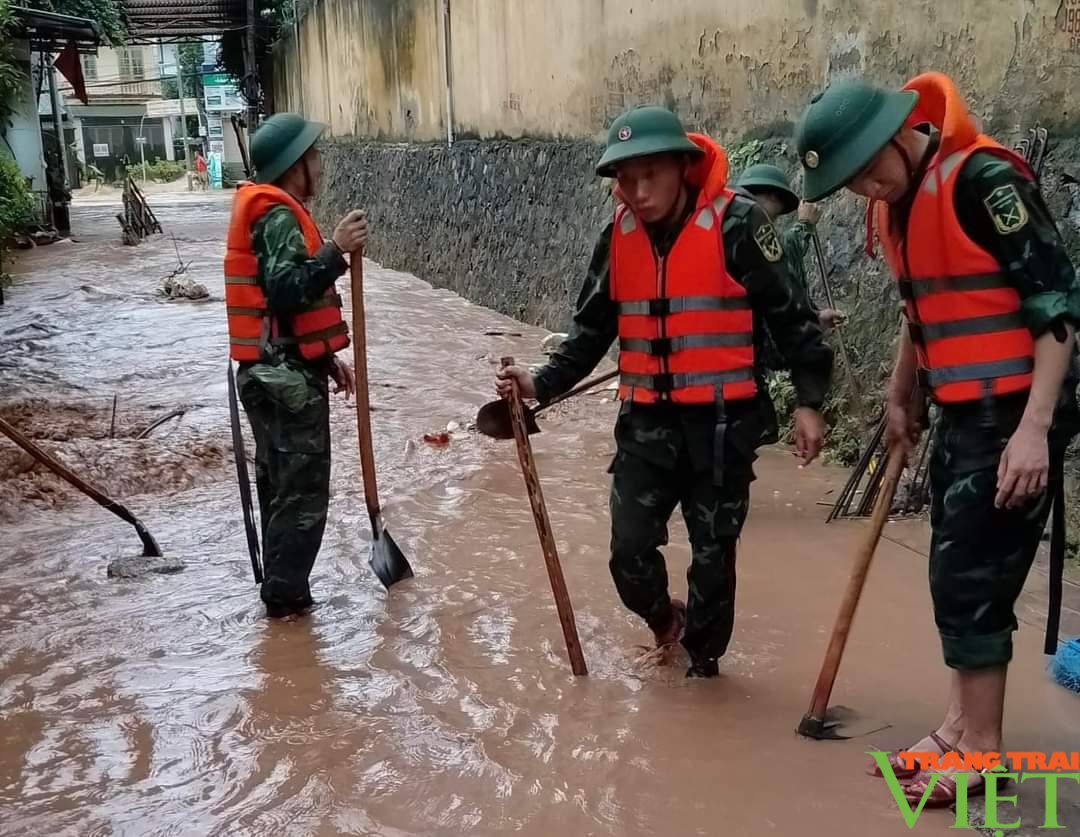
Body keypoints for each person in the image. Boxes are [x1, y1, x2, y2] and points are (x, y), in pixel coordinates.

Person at [795, 73, 1080, 805]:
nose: (865, 188)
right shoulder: (902, 204)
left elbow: (1058, 309)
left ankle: (983, 749)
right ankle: (960, 725)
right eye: (851, 181)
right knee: (953, 568)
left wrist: (1035, 431)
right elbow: (919, 305)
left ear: (899, 133)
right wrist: (901, 393)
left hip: (1018, 407)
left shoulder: (984, 181)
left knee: (972, 574)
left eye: (866, 168)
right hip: (961, 408)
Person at [496, 106, 833, 678]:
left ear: (683, 166)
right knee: (627, 553)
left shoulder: (739, 226)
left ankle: (705, 669)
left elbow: (793, 318)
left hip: (722, 428)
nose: (637, 190)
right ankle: (663, 623)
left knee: (712, 558)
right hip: (646, 427)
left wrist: (808, 401)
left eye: (650, 174)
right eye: (625, 179)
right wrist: (541, 382)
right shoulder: (617, 235)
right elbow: (590, 331)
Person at [224, 112, 369, 619]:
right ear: (294, 166)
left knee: (283, 490)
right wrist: (336, 251)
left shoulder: (274, 211)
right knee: (301, 497)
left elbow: (280, 308)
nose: (321, 165)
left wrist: (326, 359)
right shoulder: (278, 214)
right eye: (314, 156)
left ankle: (284, 597)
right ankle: (287, 608)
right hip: (282, 382)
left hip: (278, 370)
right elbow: (285, 288)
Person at [736, 164, 845, 331]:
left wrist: (815, 319)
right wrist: (804, 225)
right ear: (772, 196)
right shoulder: (741, 234)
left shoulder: (739, 228)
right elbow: (781, 255)